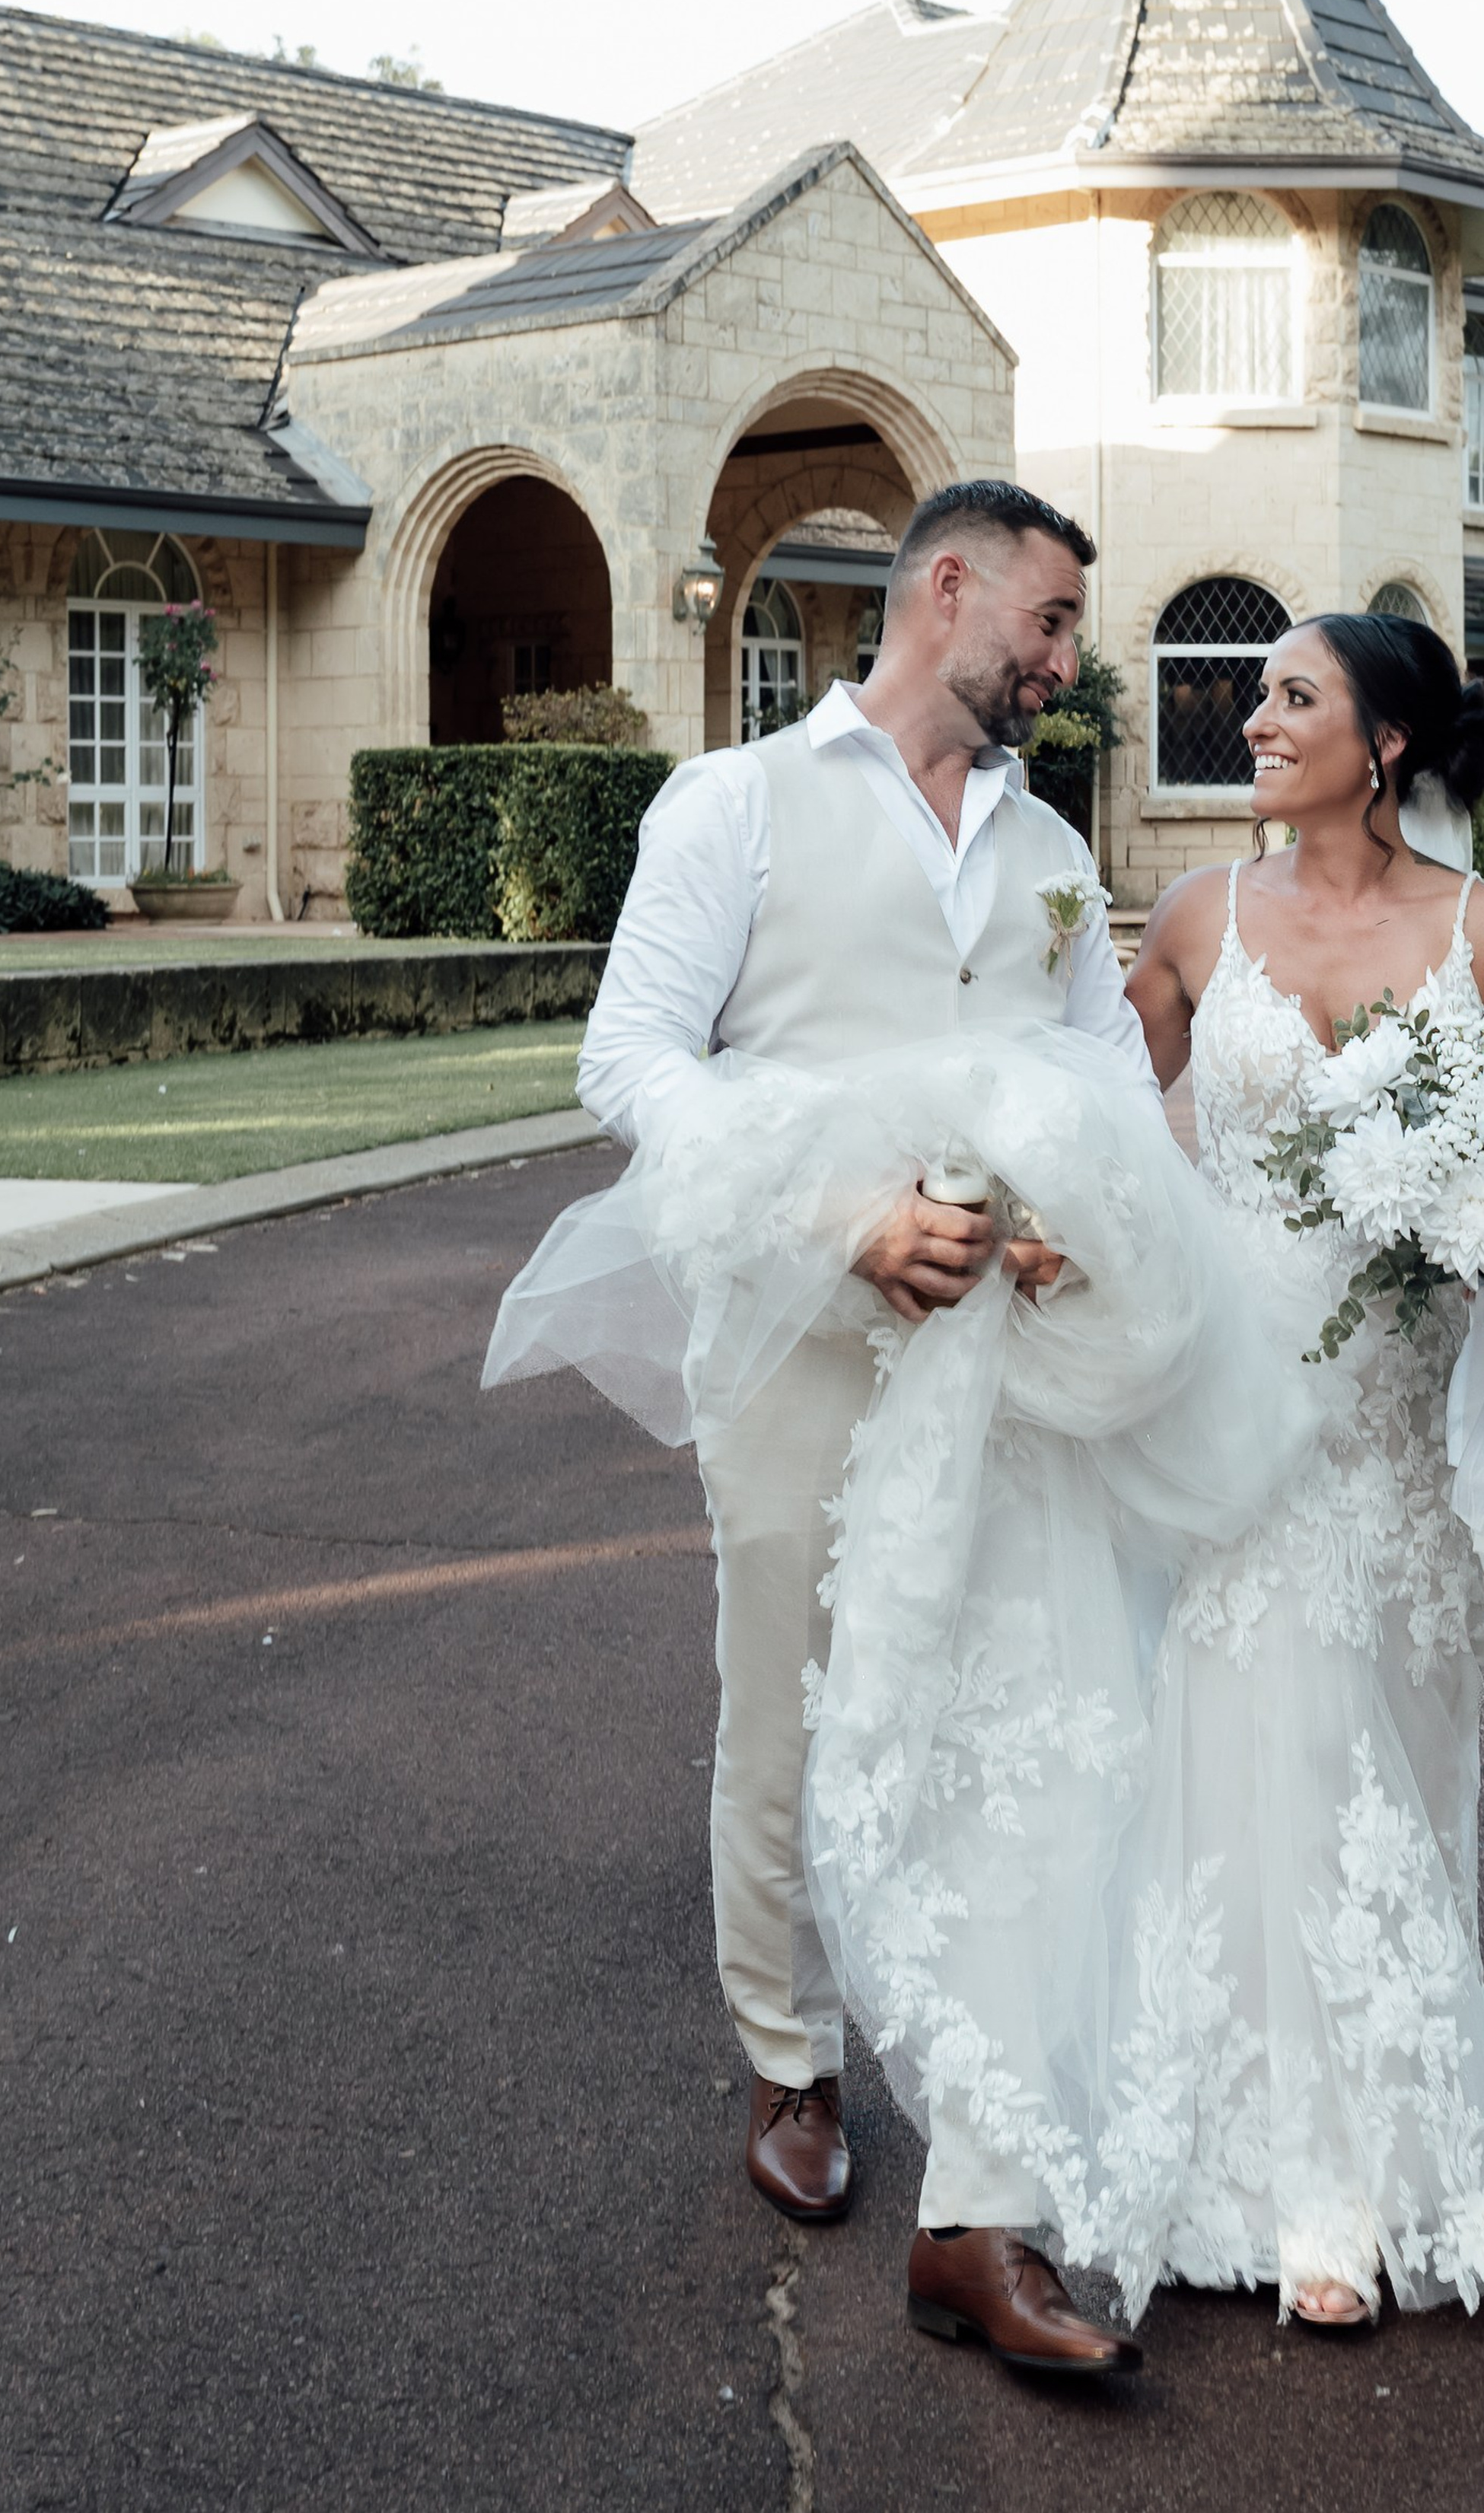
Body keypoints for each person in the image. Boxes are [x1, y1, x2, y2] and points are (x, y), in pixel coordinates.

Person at [522, 478, 1162, 2372]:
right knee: (789, 1686)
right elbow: (626, 1054)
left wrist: (1065, 1223)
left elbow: (1108, 1077)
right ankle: (790, 2062)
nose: (1060, 664)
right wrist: (840, 1222)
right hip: (798, 1324)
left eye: (1066, 637)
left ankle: (976, 2110)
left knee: (989, 1694)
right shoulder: (731, 803)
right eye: (1043, 625)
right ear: (942, 589)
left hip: (990, 1358)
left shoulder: (1049, 841)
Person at [1118, 610, 1484, 2327]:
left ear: (1386, 740)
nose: (1247, 718)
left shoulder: (1471, 925)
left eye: (1287, 695)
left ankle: (1405, 2130)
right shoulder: (1197, 917)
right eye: (1250, 693)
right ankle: (1305, 2190)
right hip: (1246, 1414)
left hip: (1404, 1421)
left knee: (1402, 1738)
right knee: (1265, 1742)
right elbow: (1105, 1133)